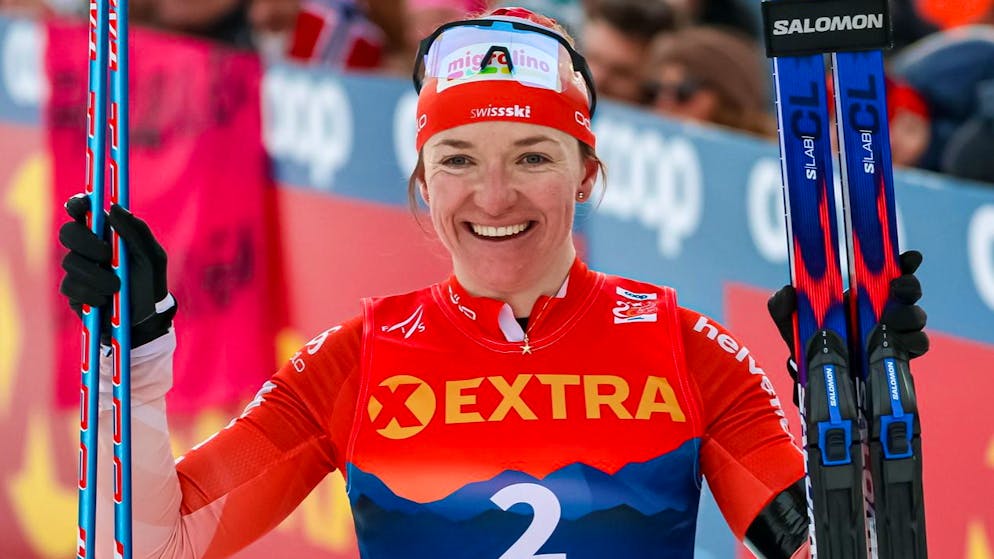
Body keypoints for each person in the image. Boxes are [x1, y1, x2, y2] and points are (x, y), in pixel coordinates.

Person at [59, 7, 929, 558]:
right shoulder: (354, 362)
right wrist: (135, 362)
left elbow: (827, 547)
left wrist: (847, 392)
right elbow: (154, 543)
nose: (494, 195)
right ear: (423, 182)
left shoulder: (687, 350)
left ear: (588, 175)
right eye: (459, 159)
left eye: (534, 157)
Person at [642, 26, 774, 138]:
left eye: (683, 92)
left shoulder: (776, 161)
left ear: (727, 102)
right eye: (653, 92)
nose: (662, 106)